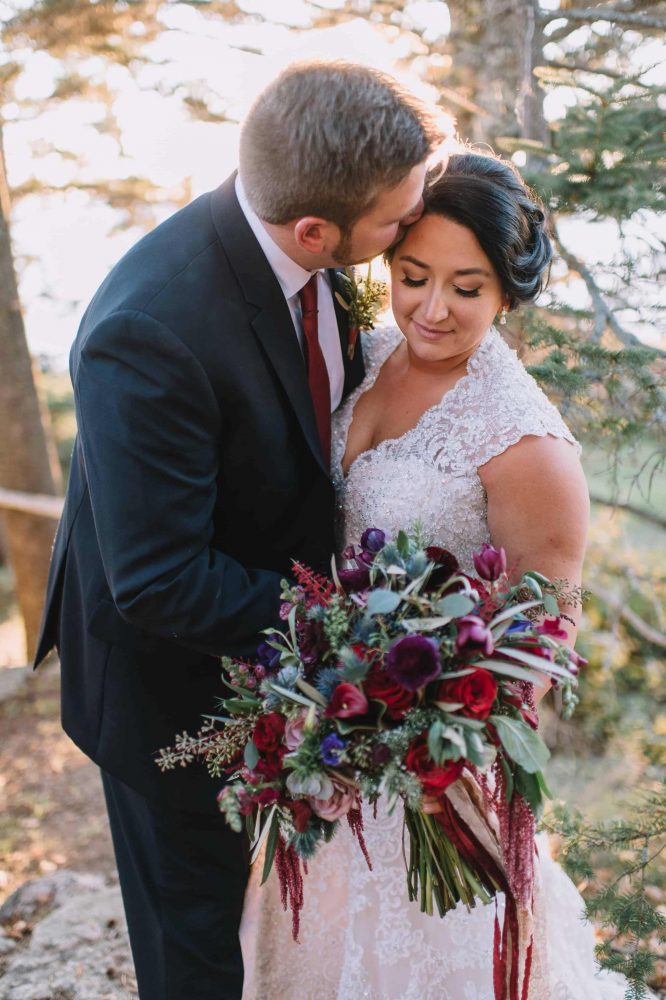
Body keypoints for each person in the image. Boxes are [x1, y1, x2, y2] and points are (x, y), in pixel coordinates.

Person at [33, 60, 442, 1000]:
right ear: (315, 230)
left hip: (277, 664)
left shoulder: (307, 248)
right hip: (167, 691)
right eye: (397, 221)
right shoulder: (151, 329)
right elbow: (160, 580)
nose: (408, 231)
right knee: (199, 949)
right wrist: (359, 628)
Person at [239, 152, 633, 999]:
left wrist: (421, 723)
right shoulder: (365, 353)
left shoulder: (526, 444)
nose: (432, 308)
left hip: (433, 789)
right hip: (328, 743)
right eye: (414, 276)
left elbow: (544, 642)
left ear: (507, 294)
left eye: (468, 287)